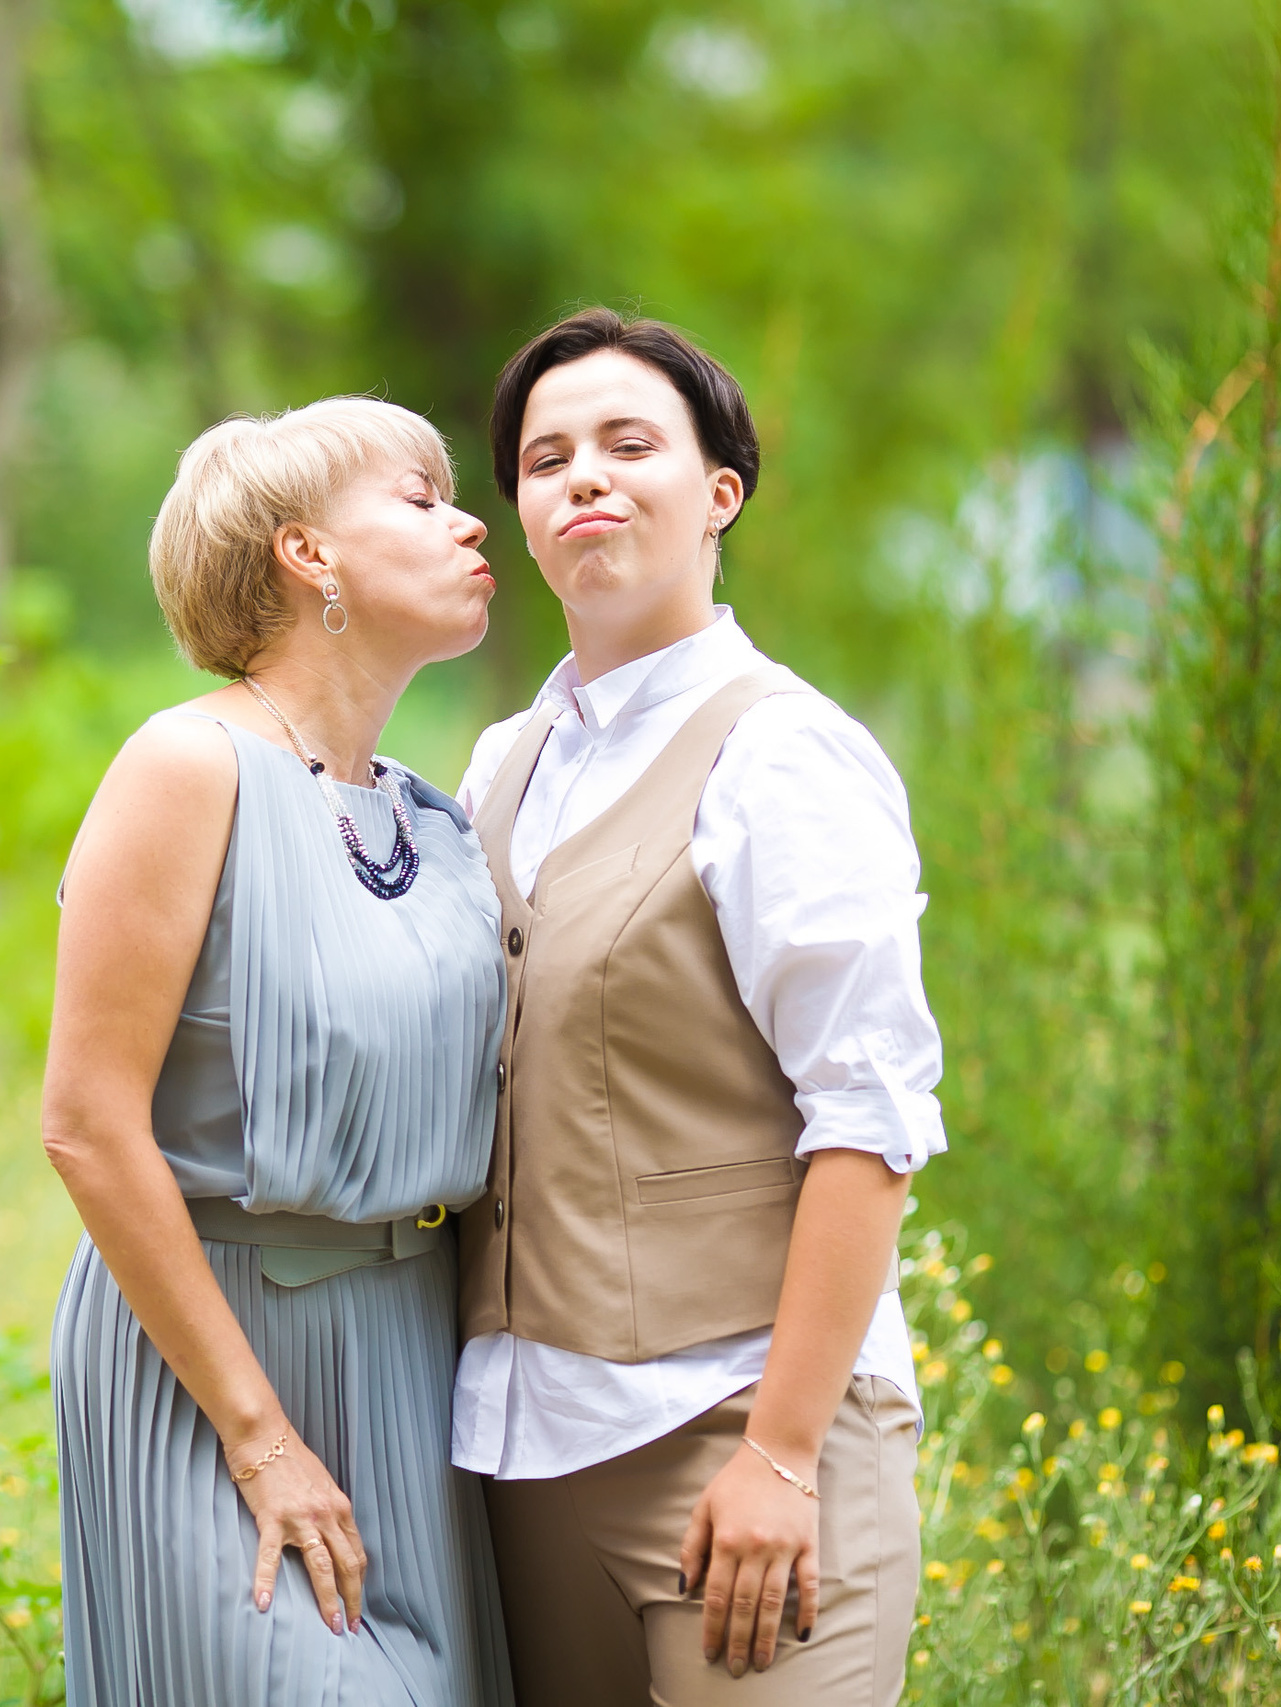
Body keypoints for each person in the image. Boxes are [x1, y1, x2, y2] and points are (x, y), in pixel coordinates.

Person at [454, 307, 944, 1707]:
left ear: (719, 492)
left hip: (740, 1439)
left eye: (628, 444)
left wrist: (783, 1455)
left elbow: (871, 1118)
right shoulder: (501, 762)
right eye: (548, 460)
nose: (585, 479)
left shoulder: (782, 756)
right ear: (525, 518)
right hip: (520, 1456)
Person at [44, 396, 517, 1706]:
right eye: (418, 500)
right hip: (215, 1369)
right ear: (308, 555)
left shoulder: (432, 817)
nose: (472, 519)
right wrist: (261, 1445)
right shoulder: (186, 767)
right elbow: (85, 1123)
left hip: (412, 1357)